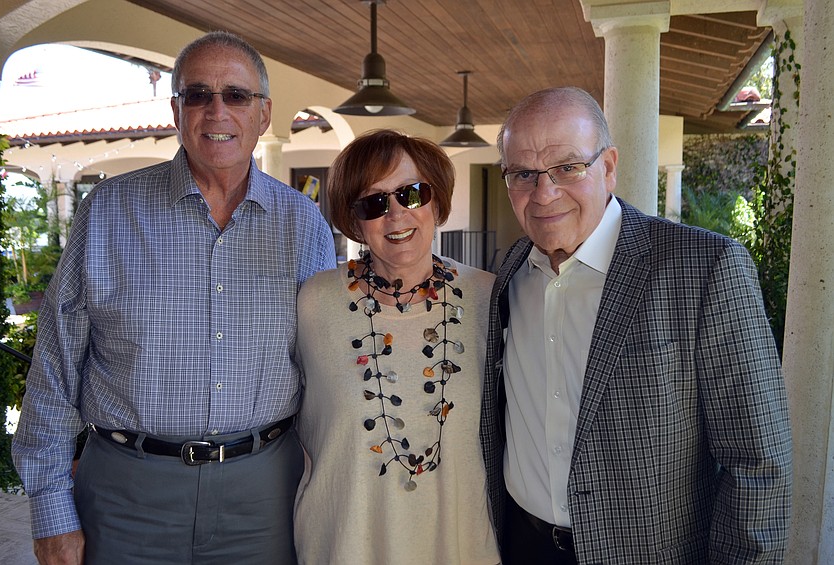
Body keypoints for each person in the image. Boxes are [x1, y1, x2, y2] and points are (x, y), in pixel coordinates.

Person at [12, 31, 335, 564]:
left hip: (263, 502)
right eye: (198, 94)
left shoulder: (303, 224)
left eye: (235, 95)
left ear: (264, 114)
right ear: (176, 110)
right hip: (125, 500)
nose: (216, 110)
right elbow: (55, 366)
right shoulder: (109, 211)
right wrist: (51, 509)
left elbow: (325, 366)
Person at [479, 87, 792, 564]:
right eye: (524, 173)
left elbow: (758, 462)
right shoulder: (511, 272)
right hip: (524, 545)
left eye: (567, 167)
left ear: (608, 167)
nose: (544, 193)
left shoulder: (705, 268)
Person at [293, 129, 500, 564]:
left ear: (437, 201)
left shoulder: (489, 299)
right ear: (355, 221)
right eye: (374, 203)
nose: (395, 215)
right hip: (346, 546)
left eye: (411, 194)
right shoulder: (312, 303)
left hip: (461, 548)